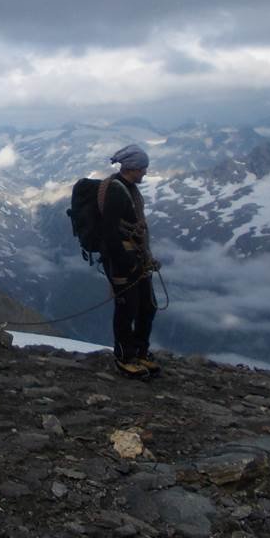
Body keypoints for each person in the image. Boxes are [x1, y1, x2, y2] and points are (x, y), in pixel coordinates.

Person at [100, 144, 160, 378]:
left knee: (147, 305)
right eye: (143, 168)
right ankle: (125, 356)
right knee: (128, 307)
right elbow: (110, 231)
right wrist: (124, 262)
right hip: (123, 260)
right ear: (132, 168)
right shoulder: (117, 191)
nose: (145, 172)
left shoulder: (128, 187)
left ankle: (139, 351)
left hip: (136, 257)